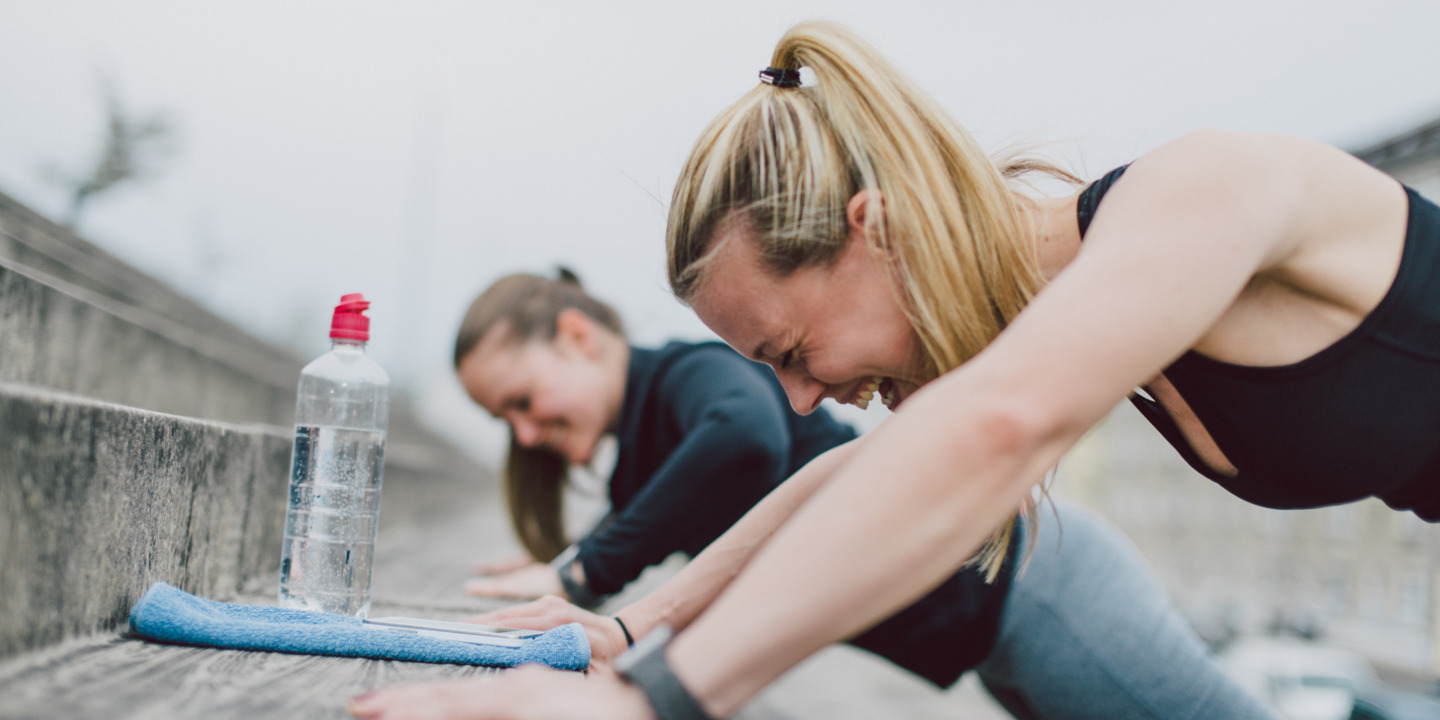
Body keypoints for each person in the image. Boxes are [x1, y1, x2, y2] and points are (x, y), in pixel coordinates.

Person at [350, 18, 1439, 720]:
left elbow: (996, 428)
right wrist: (634, 627)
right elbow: (855, 474)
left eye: (790, 352)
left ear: (875, 230)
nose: (799, 398)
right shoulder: (1059, 308)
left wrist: (653, 704)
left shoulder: (1203, 192)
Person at [433, 270, 1272, 717]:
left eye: (521, 401)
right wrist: (562, 567)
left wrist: (581, 576)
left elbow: (744, 441)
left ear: (578, 338)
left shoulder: (686, 375)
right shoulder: (646, 452)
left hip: (1040, 593)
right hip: (995, 644)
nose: (525, 434)